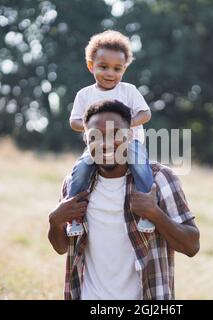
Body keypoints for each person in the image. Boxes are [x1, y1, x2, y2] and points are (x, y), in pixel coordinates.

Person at [48, 100, 200, 300]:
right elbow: (61, 248)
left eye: (115, 134)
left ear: (130, 136)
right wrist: (55, 221)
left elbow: (191, 246)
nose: (106, 143)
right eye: (95, 136)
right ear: (86, 139)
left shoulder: (159, 178)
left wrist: (154, 213)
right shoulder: (75, 184)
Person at [66, 30, 154, 236]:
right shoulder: (85, 94)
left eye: (117, 69)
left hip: (128, 143)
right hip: (97, 147)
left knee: (141, 166)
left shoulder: (129, 91)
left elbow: (146, 113)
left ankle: (148, 211)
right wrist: (92, 128)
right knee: (80, 171)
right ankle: (74, 216)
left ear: (124, 69)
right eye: (103, 67)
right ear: (91, 66)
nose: (110, 73)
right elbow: (74, 121)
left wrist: (127, 126)